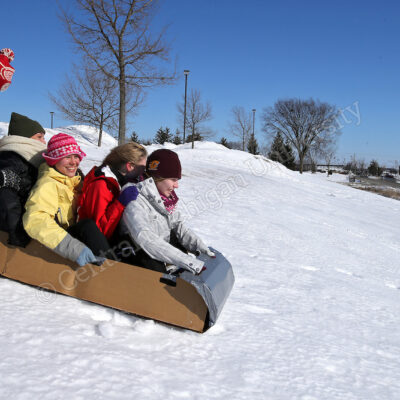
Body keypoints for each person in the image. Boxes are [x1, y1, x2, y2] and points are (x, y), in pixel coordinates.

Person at [121, 149, 215, 274]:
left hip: (159, 255)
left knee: (174, 234)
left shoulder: (165, 199)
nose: (177, 186)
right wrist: (188, 261)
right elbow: (145, 239)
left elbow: (178, 225)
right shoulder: (134, 196)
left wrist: (202, 249)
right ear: (157, 177)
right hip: (135, 259)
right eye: (173, 179)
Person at [23, 133, 109, 267]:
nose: (74, 162)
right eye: (67, 157)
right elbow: (36, 220)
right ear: (53, 160)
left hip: (74, 236)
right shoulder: (48, 185)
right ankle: (114, 273)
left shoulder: (75, 182)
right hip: (59, 242)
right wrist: (74, 249)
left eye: (76, 156)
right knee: (87, 227)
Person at [77, 142, 147, 241]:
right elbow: (98, 232)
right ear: (130, 166)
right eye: (142, 168)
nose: (143, 173)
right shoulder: (101, 184)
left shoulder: (120, 181)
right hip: (94, 246)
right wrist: (120, 204)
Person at [0, 112, 47, 247]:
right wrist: (17, 232)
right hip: (14, 230)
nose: (44, 142)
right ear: (24, 138)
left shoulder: (27, 158)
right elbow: (7, 198)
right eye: (39, 137)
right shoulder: (11, 160)